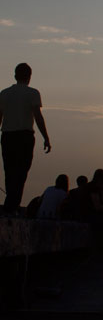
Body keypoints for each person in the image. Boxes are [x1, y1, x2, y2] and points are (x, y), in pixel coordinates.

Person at [0, 63, 51, 214]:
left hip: (7, 136)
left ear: (15, 76)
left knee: (9, 171)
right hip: (24, 136)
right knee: (21, 172)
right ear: (29, 77)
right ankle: (12, 205)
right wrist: (46, 137)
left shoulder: (4, 93)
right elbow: (38, 117)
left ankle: (11, 204)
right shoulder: (32, 93)